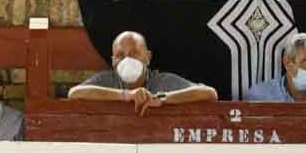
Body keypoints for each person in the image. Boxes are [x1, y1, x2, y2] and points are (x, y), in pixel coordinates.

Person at [68, 30, 216, 111]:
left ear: (148, 57)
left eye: (134, 54)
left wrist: (161, 98)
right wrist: (126, 95)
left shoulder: (162, 80)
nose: (127, 60)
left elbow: (209, 93)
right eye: (120, 55)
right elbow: (74, 94)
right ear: (113, 61)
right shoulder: (107, 79)